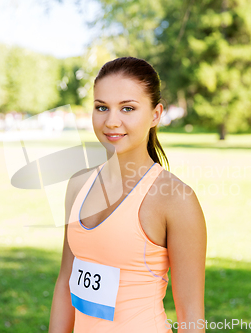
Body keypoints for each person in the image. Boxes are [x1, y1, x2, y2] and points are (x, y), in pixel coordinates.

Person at [48, 57, 207, 333]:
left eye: (127, 108)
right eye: (101, 107)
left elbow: (191, 316)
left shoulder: (175, 199)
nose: (111, 121)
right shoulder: (78, 185)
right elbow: (65, 283)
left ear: (155, 115)